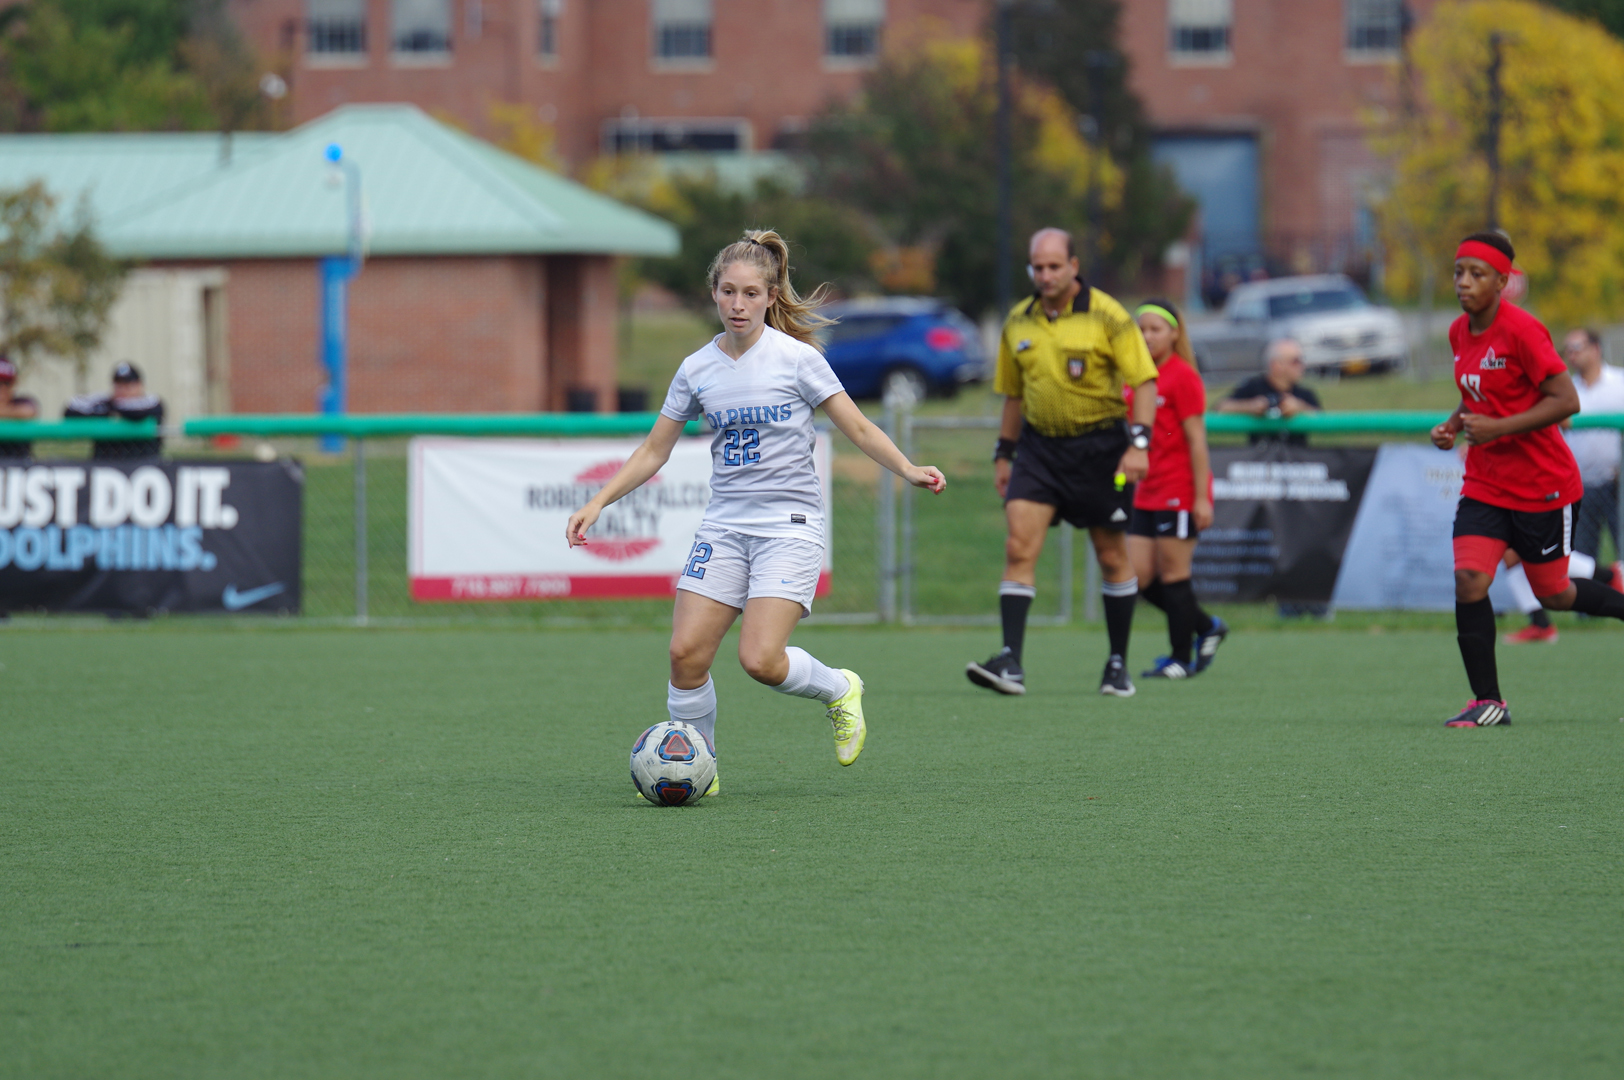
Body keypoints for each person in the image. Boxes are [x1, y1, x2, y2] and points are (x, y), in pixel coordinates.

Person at [567, 230, 944, 791]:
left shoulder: (797, 360)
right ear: (714, 295)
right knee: (685, 653)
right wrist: (598, 499)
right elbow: (654, 450)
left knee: (761, 661)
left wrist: (907, 468)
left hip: (789, 528)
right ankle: (702, 765)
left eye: (749, 293)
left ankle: (840, 688)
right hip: (724, 526)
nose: (737, 304)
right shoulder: (697, 368)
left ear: (771, 296)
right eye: (727, 292)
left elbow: (859, 426)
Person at [1430, 231, 1624, 728]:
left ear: (1502, 281)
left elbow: (1566, 401)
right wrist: (1455, 424)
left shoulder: (1523, 331)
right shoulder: (1458, 333)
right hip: (1486, 483)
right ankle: (1488, 701)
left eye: (1477, 274)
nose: (1465, 283)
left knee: (1554, 594)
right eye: (1459, 272)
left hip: (1544, 485)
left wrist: (1495, 427)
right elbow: (1477, 391)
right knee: (1470, 578)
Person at [965, 227, 1159, 699]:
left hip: (1101, 450)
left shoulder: (1108, 316)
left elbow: (1145, 382)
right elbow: (1013, 395)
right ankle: (1010, 662)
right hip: (1039, 451)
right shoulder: (1018, 322)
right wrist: (1004, 453)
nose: (1046, 275)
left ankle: (1117, 665)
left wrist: (1139, 443)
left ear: (1074, 266)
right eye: (1038, 266)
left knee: (1112, 555)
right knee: (1018, 547)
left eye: (1055, 266)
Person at [1125, 299, 1228, 679]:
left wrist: (1201, 497)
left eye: (1156, 329)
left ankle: (1180, 658)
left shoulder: (1182, 376)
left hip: (1179, 490)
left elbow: (1197, 442)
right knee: (1137, 577)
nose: (1148, 336)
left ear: (1174, 333)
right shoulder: (1134, 377)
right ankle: (1206, 627)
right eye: (1142, 329)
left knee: (1174, 575)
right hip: (1145, 491)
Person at [1560, 328, 1624, 563]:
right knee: (1582, 559)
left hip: (1617, 486)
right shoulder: (1565, 389)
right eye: (1567, 350)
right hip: (1579, 486)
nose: (1571, 354)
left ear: (1595, 349)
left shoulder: (1619, 382)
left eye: (1576, 348)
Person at [1216, 339, 1323, 445]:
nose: (1301, 366)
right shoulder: (1254, 387)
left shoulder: (1304, 393)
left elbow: (1321, 420)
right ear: (1276, 365)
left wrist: (1299, 408)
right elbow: (1220, 408)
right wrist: (1250, 407)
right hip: (1258, 458)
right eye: (1295, 361)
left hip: (1297, 459)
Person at [64, 362, 165, 459]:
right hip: (105, 466)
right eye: (119, 385)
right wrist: (109, 411)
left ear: (140, 386)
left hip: (144, 464)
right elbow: (70, 408)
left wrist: (110, 411)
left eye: (128, 386)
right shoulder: (106, 401)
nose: (122, 390)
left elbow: (141, 412)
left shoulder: (150, 401)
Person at [0, 353, 39, 460]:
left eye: (7, 383)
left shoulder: (22, 402)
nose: (2, 389)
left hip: (20, 469)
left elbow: (29, 411)